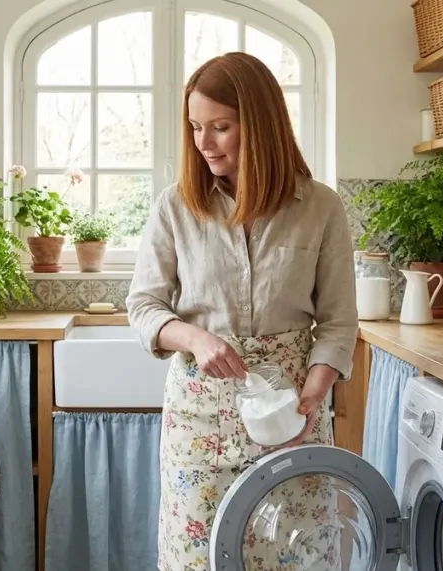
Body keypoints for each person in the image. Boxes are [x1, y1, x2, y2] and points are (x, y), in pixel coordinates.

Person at [126, 51, 358, 571]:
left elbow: (339, 320)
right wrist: (194, 339)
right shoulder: (175, 207)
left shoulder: (321, 207)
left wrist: (313, 397)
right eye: (195, 127)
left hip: (292, 412)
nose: (203, 143)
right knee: (199, 559)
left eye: (221, 127)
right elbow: (143, 305)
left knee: (296, 556)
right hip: (200, 423)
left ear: (261, 125)